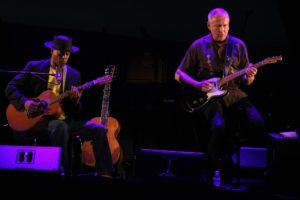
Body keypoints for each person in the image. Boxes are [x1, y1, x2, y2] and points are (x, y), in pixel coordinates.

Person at [175, 8, 264, 184]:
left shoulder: (238, 45)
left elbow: (247, 80)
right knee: (218, 126)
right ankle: (210, 170)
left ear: (229, 26)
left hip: (234, 94)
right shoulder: (198, 45)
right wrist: (197, 85)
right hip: (209, 96)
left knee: (257, 123)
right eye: (217, 26)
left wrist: (251, 76)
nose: (221, 30)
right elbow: (178, 74)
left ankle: (226, 152)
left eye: (224, 26)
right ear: (209, 25)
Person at [5, 35, 114, 177]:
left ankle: (105, 173)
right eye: (60, 54)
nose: (64, 58)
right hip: (38, 121)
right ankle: (63, 173)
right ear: (52, 51)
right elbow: (10, 87)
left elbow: (76, 110)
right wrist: (26, 103)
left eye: (67, 55)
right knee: (59, 127)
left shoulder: (74, 75)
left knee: (99, 129)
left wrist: (75, 101)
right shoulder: (34, 67)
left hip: (65, 120)